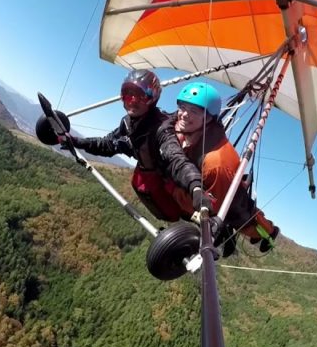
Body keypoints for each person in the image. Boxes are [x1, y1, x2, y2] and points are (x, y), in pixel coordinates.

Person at [65, 69, 211, 223]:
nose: (133, 101)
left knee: (174, 214)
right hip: (145, 178)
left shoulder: (161, 128)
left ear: (151, 98)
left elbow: (176, 158)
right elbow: (107, 144)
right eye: (128, 94)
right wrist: (75, 141)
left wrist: (195, 186)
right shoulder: (128, 122)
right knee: (140, 182)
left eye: (140, 95)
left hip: (165, 185)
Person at [165, 81, 281, 254]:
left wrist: (174, 190)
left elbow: (213, 205)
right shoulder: (188, 130)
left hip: (229, 197)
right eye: (183, 106)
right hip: (215, 182)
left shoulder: (215, 163)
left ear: (209, 118)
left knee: (245, 220)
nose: (184, 115)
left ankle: (270, 234)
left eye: (194, 111)